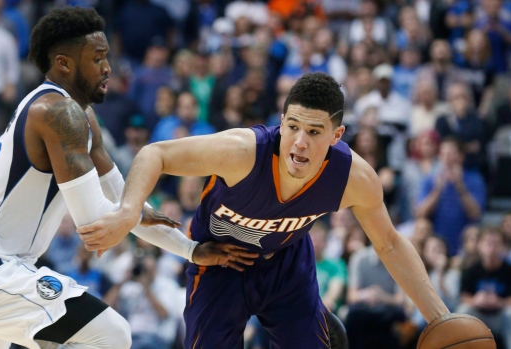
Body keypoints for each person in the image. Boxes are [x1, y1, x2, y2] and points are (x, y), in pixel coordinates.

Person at [0, 7, 244, 349]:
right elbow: (96, 222)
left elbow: (123, 202)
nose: (108, 68)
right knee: (111, 334)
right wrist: (131, 216)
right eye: (98, 58)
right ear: (64, 63)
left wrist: (190, 250)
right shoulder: (59, 114)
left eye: (108, 57)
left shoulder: (82, 116)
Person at [78, 72, 450, 348]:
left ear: (337, 135)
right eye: (293, 126)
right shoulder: (244, 151)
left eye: (315, 132)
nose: (300, 143)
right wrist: (129, 212)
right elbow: (154, 154)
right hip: (219, 262)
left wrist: (441, 319)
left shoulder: (353, 177)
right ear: (282, 120)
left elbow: (388, 243)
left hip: (286, 265)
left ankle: (314, 324)